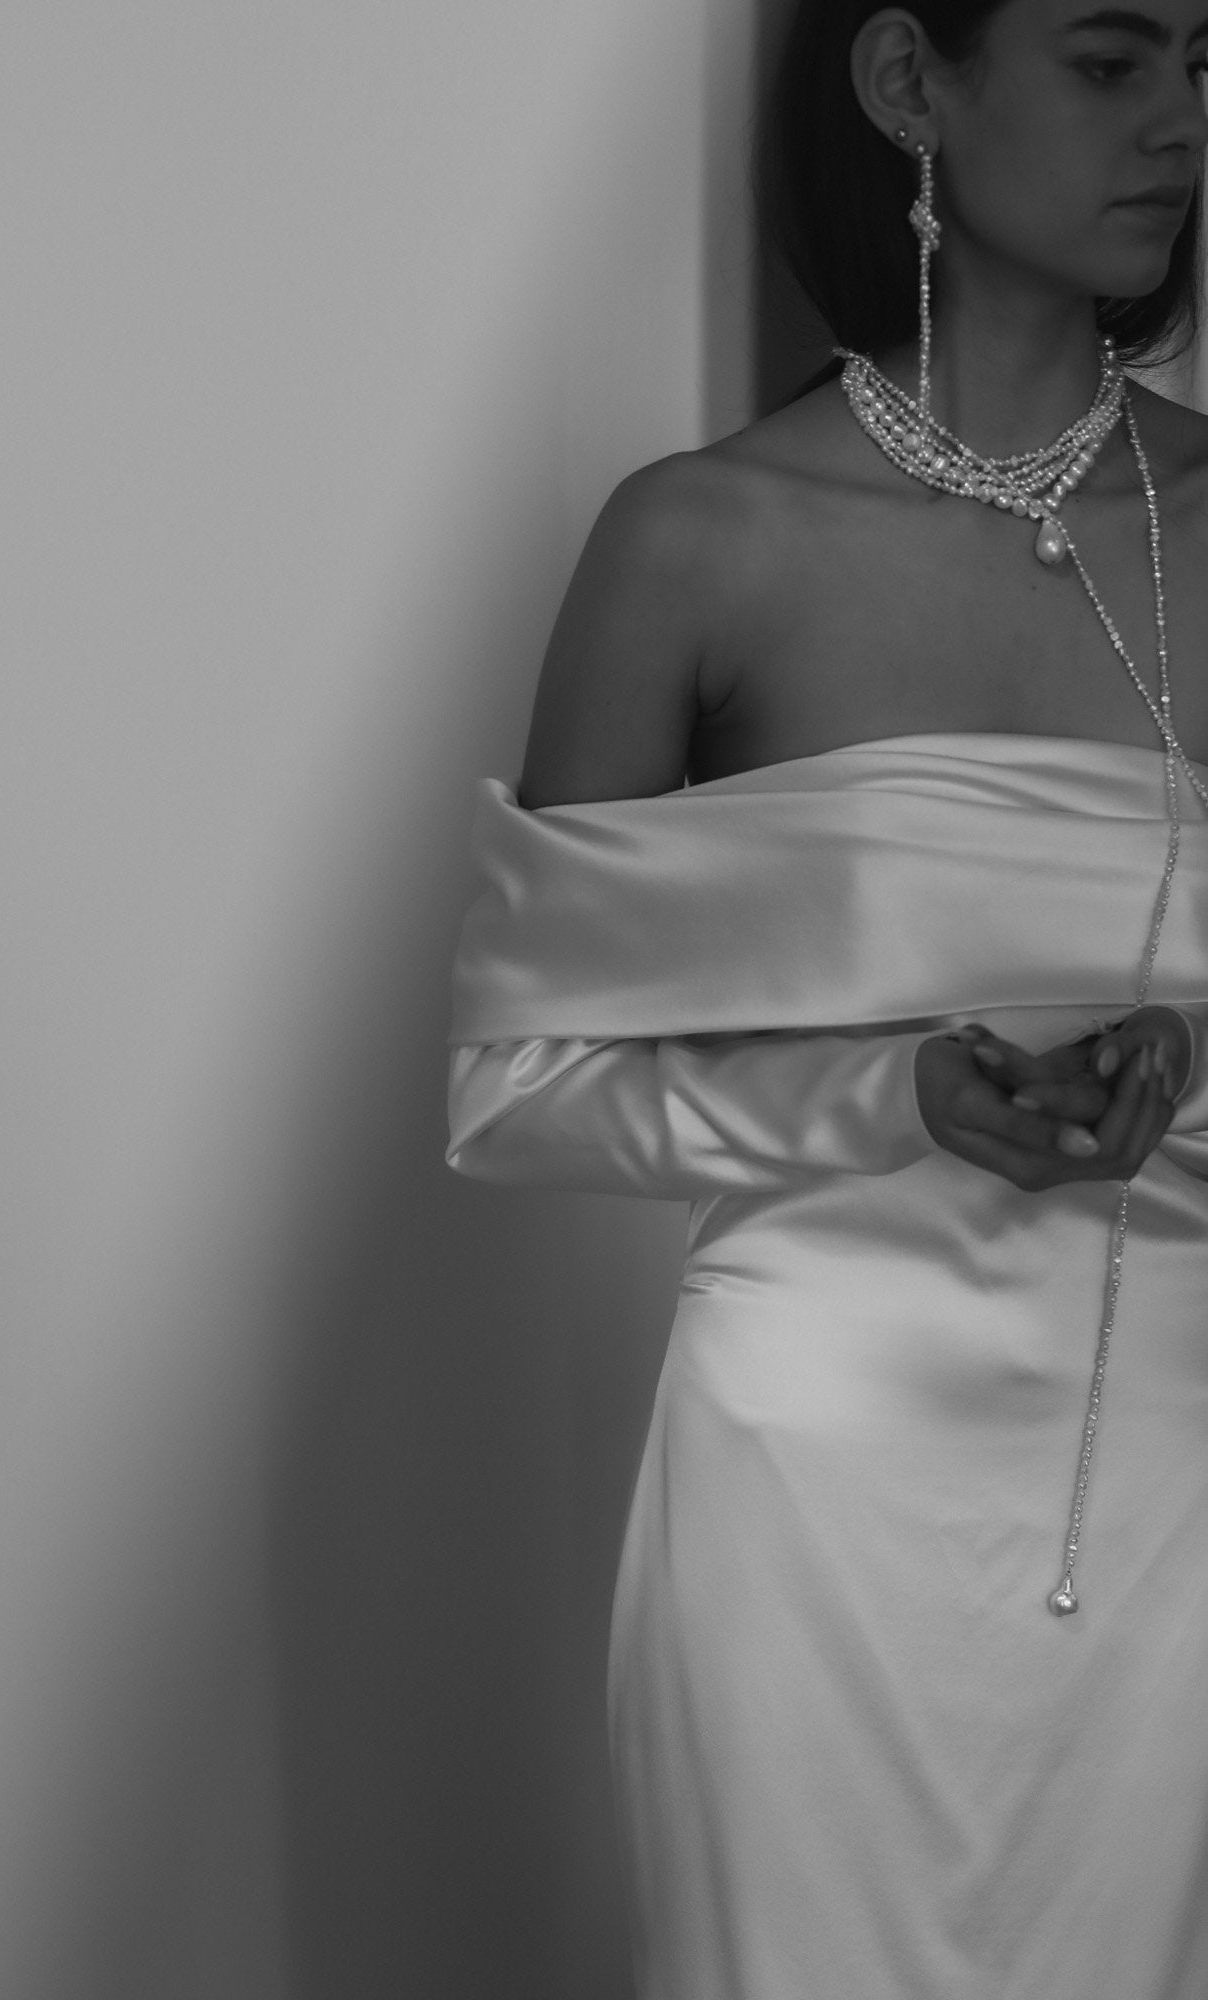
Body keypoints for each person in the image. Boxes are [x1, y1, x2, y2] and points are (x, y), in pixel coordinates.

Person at [447, 3, 1208, 1993]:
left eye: (1205, 70)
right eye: (1111, 63)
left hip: (1176, 1490)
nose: (1179, 127)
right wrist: (892, 1094)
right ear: (905, 84)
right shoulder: (699, 541)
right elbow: (516, 1084)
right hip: (818, 1499)